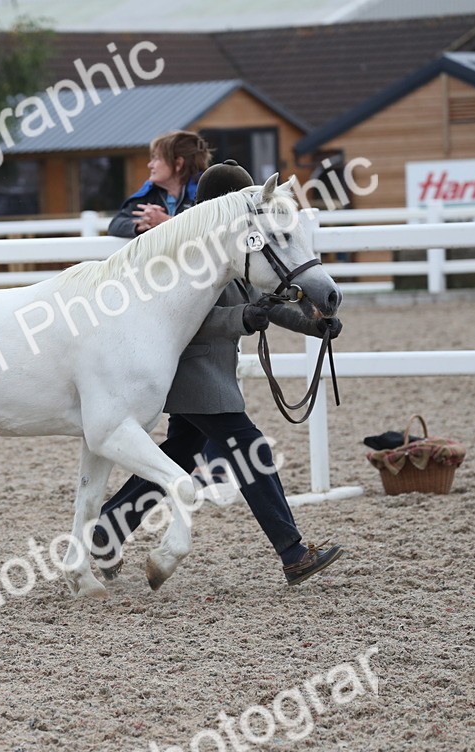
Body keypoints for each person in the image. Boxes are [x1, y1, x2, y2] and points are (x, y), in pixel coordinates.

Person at [92, 154, 346, 586]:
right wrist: (241, 320)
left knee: (178, 454)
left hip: (212, 372)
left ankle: (106, 531)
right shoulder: (189, 252)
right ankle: (292, 552)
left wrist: (313, 324)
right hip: (193, 371)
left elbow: (264, 299)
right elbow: (186, 319)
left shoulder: (240, 247)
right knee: (251, 450)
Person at [108, 130, 208, 239]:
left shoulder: (206, 193)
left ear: (178, 164)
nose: (149, 165)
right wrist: (140, 225)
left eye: (156, 158)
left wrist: (165, 221)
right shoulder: (150, 193)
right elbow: (115, 225)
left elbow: (211, 229)